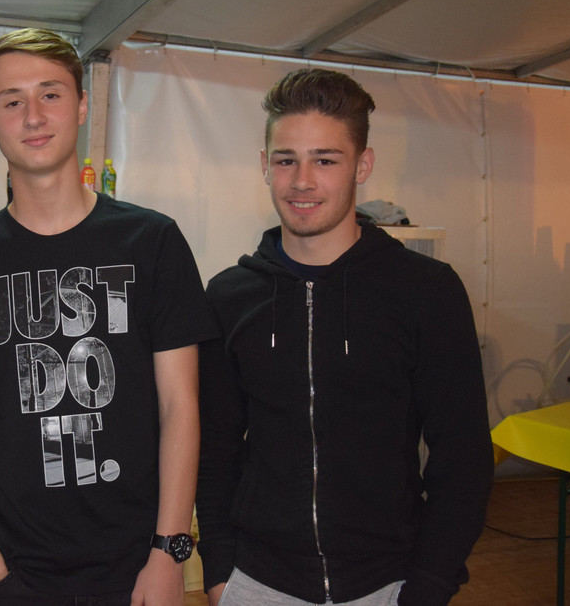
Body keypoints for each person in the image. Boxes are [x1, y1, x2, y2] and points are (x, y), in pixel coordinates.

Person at [0, 28, 217, 605]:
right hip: (11, 570)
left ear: (82, 105)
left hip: (136, 566)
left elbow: (180, 405)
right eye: (12, 101)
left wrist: (169, 550)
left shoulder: (151, 241)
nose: (33, 116)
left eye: (51, 94)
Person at [196, 68, 494, 606]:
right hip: (257, 583)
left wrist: (429, 585)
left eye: (326, 160)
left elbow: (463, 457)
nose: (302, 181)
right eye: (286, 160)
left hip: (387, 584)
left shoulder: (426, 291)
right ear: (264, 166)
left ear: (363, 164)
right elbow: (215, 448)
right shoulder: (229, 296)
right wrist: (219, 571)